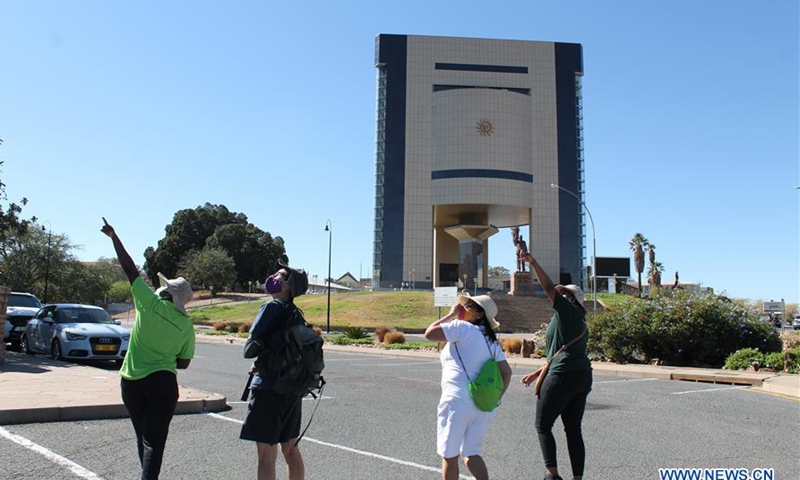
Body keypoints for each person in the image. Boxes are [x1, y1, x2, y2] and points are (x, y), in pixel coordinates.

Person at [101, 218, 195, 480]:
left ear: (165, 292)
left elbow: (129, 268)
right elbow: (184, 362)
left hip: (132, 381)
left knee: (142, 437)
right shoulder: (186, 325)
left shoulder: (147, 303)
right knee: (154, 442)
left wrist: (113, 236)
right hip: (163, 383)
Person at [519, 252, 592, 480]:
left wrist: (533, 263)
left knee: (542, 426)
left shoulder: (566, 310)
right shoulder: (579, 319)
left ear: (570, 299)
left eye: (563, 294)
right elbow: (563, 352)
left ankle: (552, 475)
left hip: (563, 376)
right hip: (581, 376)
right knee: (573, 431)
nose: (558, 296)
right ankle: (577, 478)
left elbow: (548, 287)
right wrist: (538, 372)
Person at [424, 295, 512, 480]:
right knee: (471, 454)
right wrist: (497, 398)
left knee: (449, 455)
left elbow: (429, 333)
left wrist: (450, 315)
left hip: (457, 402)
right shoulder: (491, 340)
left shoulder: (461, 327)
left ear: (480, 315)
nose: (463, 307)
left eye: (469, 305)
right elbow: (507, 373)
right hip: (482, 404)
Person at [240, 259, 309, 480]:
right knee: (290, 448)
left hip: (269, 387)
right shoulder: (296, 313)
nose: (274, 277)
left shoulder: (271, 307)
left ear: (288, 285)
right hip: (292, 387)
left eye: (279, 274)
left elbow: (249, 349)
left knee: (266, 457)